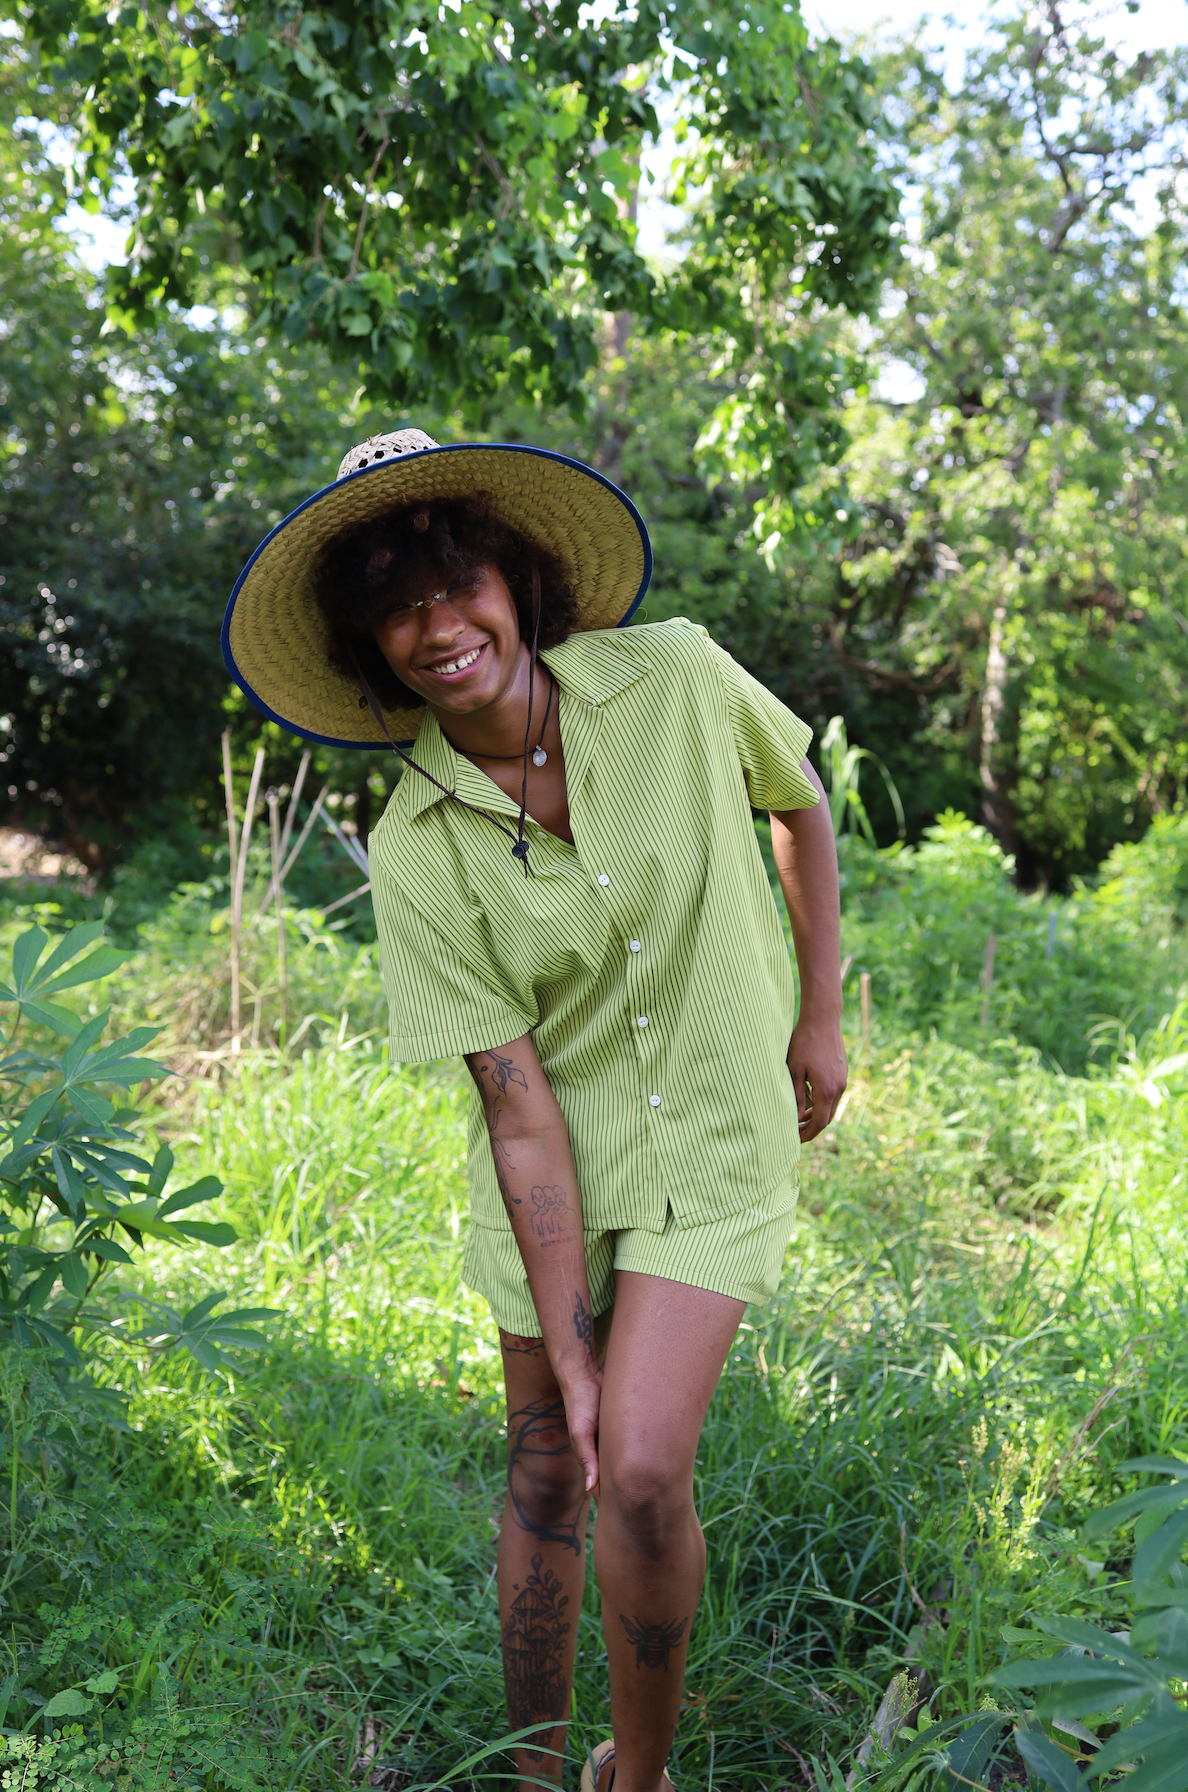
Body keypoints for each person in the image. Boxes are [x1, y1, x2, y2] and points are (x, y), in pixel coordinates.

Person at [223, 427, 848, 1792]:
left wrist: (822, 1015)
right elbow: (517, 1109)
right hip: (557, 1170)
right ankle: (531, 1768)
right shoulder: (414, 845)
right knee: (548, 1471)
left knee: (634, 1466)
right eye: (396, 606)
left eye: (459, 585)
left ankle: (641, 1770)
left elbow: (797, 798)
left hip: (720, 1134)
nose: (438, 627)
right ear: (365, 642)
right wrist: (567, 1339)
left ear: (516, 580)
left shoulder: (674, 676)